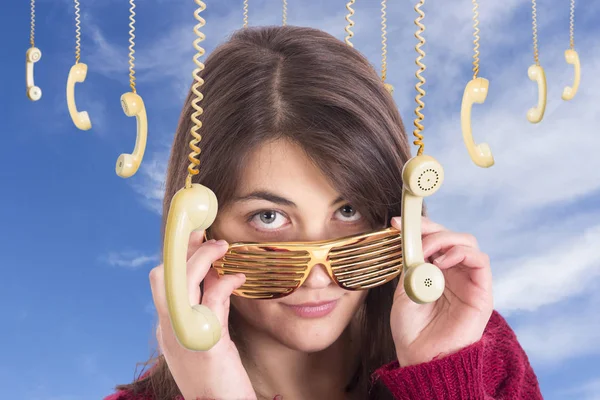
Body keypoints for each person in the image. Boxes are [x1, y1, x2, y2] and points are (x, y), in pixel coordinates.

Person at [104, 26, 543, 400]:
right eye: (269, 217)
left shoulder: (478, 356)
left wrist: (444, 376)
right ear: (199, 231)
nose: (320, 276)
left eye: (348, 210)